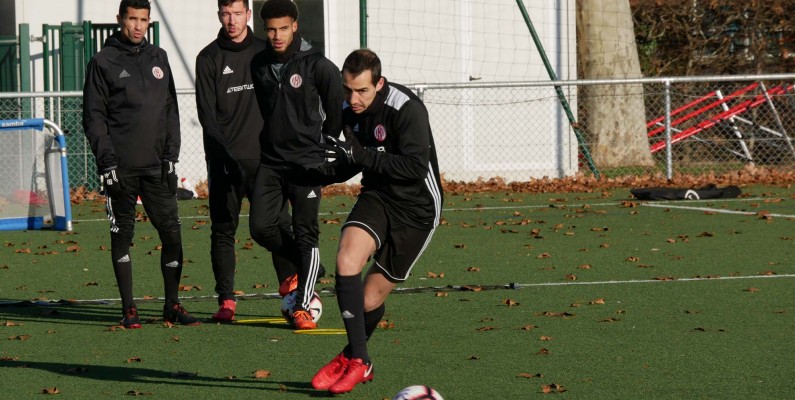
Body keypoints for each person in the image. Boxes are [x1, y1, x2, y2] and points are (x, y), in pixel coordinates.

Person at [311, 49, 443, 394]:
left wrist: (360, 155)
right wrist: (311, 175)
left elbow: (415, 168)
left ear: (379, 84)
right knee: (346, 260)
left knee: (368, 300)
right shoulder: (345, 109)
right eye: (347, 90)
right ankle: (359, 360)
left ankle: (352, 356)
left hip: (418, 209)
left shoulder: (406, 108)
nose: (353, 99)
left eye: (362, 91)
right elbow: (350, 161)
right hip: (378, 196)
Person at [82, 0, 199, 328]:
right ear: (120, 19)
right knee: (122, 235)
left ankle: (172, 305)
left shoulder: (158, 57)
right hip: (120, 168)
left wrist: (171, 157)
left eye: (143, 20)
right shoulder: (102, 62)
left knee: (173, 235)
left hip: (157, 167)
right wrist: (107, 164)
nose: (137, 26)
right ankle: (129, 309)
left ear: (149, 21)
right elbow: (94, 119)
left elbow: (171, 110)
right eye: (131, 19)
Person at [196, 0, 309, 322]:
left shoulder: (265, 52)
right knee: (222, 231)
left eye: (237, 13)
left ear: (248, 14)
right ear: (219, 15)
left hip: (267, 163)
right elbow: (207, 115)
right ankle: (226, 302)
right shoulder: (208, 58)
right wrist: (223, 155)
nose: (231, 20)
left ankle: (292, 296)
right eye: (225, 14)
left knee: (273, 226)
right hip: (224, 163)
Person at [249, 0, 343, 330]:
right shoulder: (258, 64)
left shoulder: (318, 65)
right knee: (260, 227)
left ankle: (303, 304)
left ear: (295, 26)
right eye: (271, 29)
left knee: (306, 234)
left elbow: (336, 110)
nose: (277, 35)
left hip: (307, 164)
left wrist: (324, 150)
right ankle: (308, 266)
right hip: (272, 162)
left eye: (283, 28)